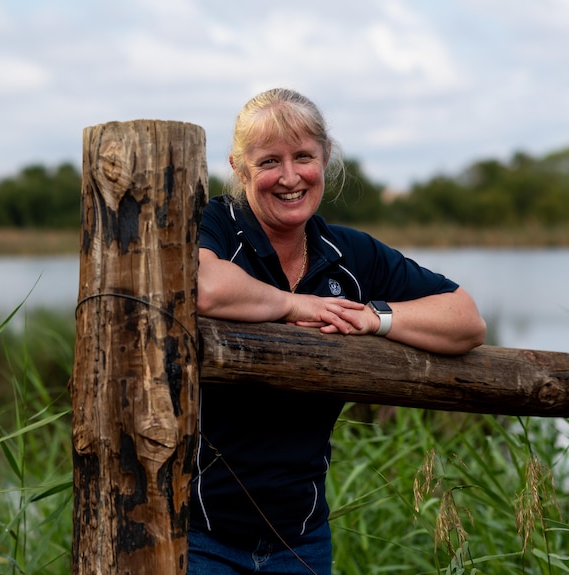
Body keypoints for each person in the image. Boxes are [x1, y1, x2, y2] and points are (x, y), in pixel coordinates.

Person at [189, 88, 487, 575]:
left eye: (303, 157)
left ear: (324, 158)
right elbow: (206, 288)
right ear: (239, 168)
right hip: (200, 537)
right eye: (269, 161)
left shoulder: (349, 253)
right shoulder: (217, 222)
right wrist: (292, 304)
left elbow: (466, 319)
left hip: (301, 540)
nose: (289, 177)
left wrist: (377, 318)